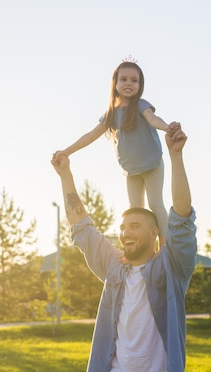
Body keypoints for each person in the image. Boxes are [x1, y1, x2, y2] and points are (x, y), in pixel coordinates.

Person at [51, 122, 196, 372]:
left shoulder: (171, 267)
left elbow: (182, 217)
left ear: (156, 232)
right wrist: (66, 175)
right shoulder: (114, 267)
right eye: (122, 227)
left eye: (134, 226)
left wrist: (176, 157)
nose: (125, 233)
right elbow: (82, 227)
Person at [54, 56, 172, 247]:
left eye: (134, 80)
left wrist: (168, 127)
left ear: (140, 85)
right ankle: (141, 247)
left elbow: (153, 119)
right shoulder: (111, 114)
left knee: (155, 203)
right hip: (131, 170)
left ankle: (165, 245)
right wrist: (67, 151)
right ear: (115, 83)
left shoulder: (141, 105)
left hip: (152, 164)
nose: (129, 83)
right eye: (124, 79)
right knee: (135, 210)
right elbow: (90, 136)